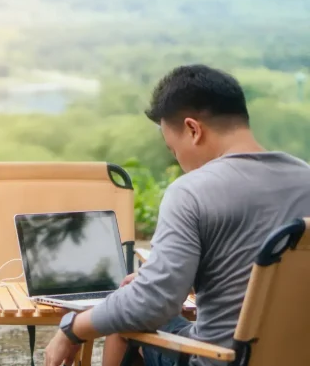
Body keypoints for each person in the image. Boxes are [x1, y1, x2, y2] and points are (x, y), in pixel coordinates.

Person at [44, 64, 310, 366]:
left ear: (193, 130)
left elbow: (150, 306)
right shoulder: (306, 177)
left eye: (174, 150)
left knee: (124, 315)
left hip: (221, 359)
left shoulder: (192, 192)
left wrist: (72, 329)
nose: (179, 161)